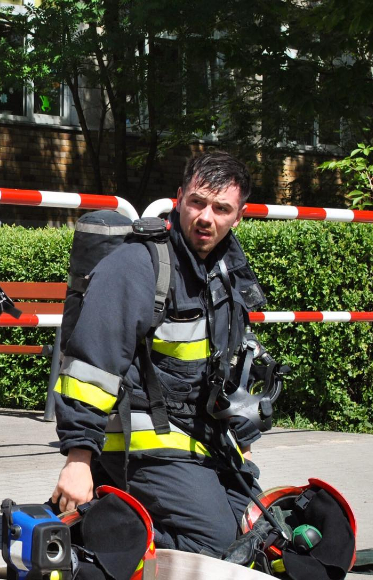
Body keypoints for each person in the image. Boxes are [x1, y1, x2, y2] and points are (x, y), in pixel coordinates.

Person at [51, 152, 268, 557]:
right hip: (143, 438)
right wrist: (78, 458)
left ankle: (116, 513)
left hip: (201, 437)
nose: (206, 217)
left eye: (221, 209)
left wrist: (244, 440)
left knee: (257, 527)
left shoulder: (225, 271)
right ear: (179, 197)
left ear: (238, 216)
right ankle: (87, 527)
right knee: (216, 545)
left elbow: (230, 365)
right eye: (197, 202)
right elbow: (91, 365)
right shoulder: (138, 264)